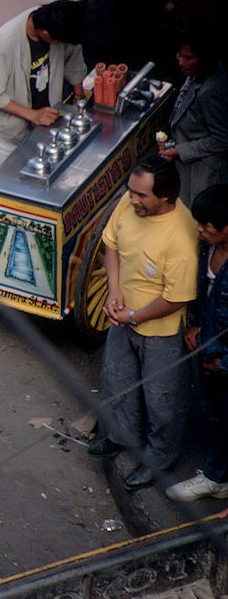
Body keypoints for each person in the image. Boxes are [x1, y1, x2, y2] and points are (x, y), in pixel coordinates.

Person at [87, 156, 198, 491]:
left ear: (165, 197)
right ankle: (121, 436)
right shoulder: (129, 202)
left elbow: (176, 298)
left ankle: (158, 460)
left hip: (160, 331)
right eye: (131, 192)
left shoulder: (182, 236)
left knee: (161, 400)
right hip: (122, 315)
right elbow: (111, 247)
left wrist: (134, 315)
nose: (133, 199)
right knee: (118, 380)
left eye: (141, 196)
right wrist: (113, 291)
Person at [0, 0, 87, 185]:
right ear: (45, 34)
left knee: (35, 187)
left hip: (42, 127)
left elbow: (73, 58)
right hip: (4, 134)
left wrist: (78, 97)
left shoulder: (58, 24)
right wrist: (33, 115)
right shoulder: (3, 43)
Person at [166, 185, 228, 501]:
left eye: (208, 226)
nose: (200, 230)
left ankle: (215, 477)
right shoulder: (205, 249)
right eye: (199, 223)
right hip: (207, 351)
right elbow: (201, 295)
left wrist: (223, 362)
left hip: (222, 358)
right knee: (214, 413)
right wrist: (194, 326)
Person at [158, 28, 228, 204]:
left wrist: (180, 150)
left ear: (203, 58)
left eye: (188, 58)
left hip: (203, 172)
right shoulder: (196, 75)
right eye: (179, 56)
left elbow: (221, 139)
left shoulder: (211, 91)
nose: (181, 62)